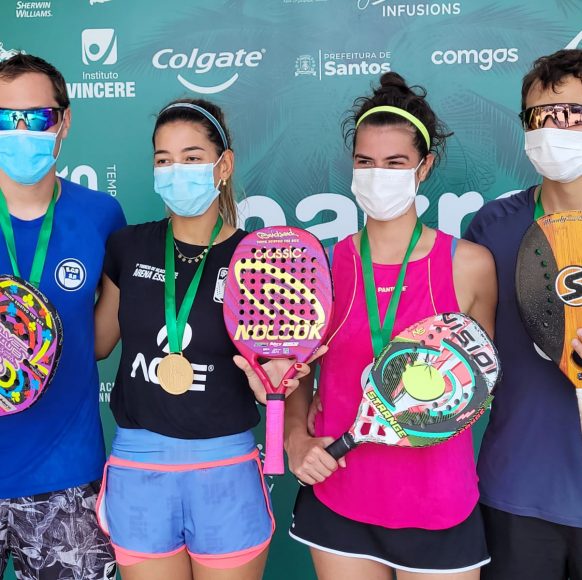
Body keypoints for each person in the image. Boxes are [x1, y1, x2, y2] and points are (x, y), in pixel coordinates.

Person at [93, 98, 321, 580]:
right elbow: (98, 343)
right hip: (138, 468)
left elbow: (279, 374)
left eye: (192, 157)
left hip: (226, 468)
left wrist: (275, 384)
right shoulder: (127, 245)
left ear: (224, 165)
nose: (176, 170)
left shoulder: (260, 260)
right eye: (164, 159)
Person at [284, 72, 497, 580]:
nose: (378, 175)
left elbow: (480, 380)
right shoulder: (322, 266)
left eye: (395, 162)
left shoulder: (470, 265)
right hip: (338, 493)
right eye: (365, 162)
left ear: (425, 166)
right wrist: (294, 438)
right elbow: (297, 375)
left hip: (439, 503)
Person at [0, 53, 125, 580]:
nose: (21, 132)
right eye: (6, 118)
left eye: (37, 117)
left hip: (65, 480)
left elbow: (100, 342)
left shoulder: (101, 215)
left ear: (65, 121)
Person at [464, 48, 582, 580]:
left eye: (573, 114)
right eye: (542, 116)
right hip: (517, 493)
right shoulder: (493, 227)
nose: (556, 128)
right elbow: (465, 349)